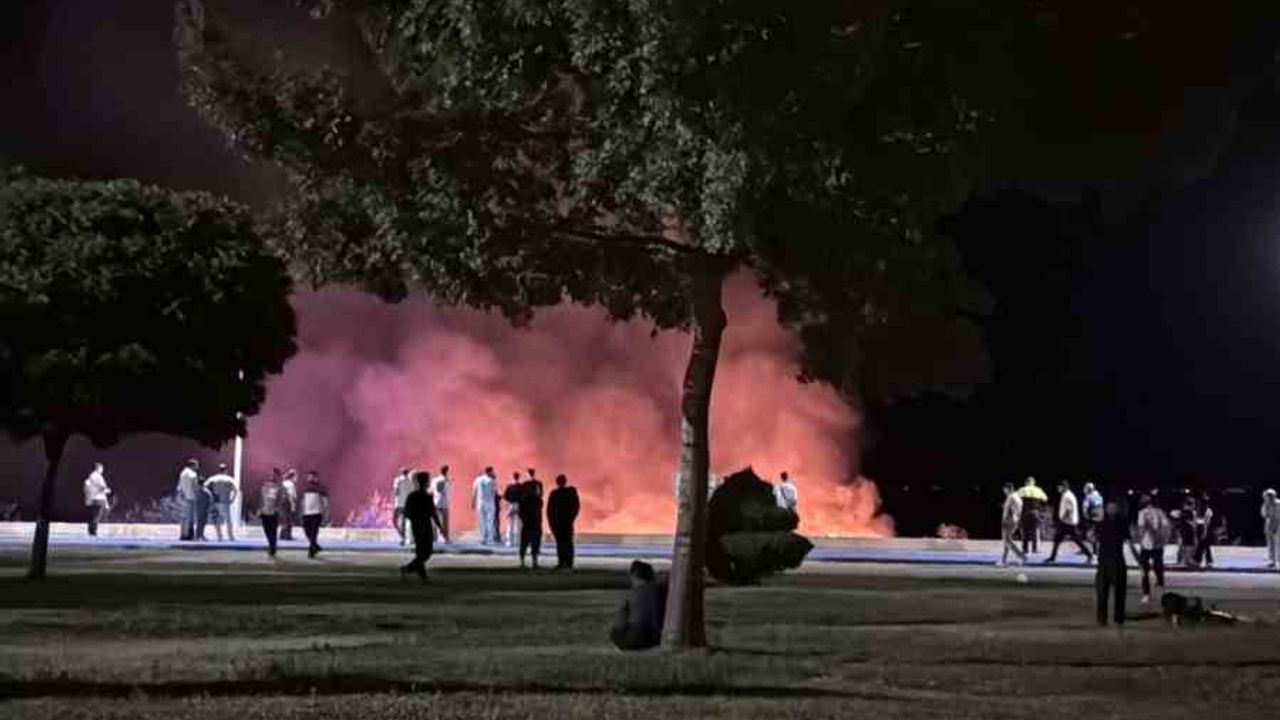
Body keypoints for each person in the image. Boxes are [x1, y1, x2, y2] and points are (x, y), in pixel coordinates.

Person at [610, 560, 668, 651]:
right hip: (654, 638)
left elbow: (620, 623)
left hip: (636, 638)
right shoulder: (657, 590)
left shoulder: (632, 594)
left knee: (615, 634)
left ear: (635, 576)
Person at [401, 471, 447, 582]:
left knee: (421, 551)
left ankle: (422, 575)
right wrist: (440, 527)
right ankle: (408, 569)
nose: (429, 482)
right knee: (426, 552)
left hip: (417, 526)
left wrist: (413, 521)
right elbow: (433, 514)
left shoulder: (412, 496)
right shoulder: (427, 496)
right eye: (428, 480)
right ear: (425, 482)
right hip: (425, 526)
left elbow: (407, 513)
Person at [1094, 498, 1132, 626]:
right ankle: (1108, 618)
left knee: (1115, 592)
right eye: (1109, 507)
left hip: (1114, 560)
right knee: (1104, 592)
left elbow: (1128, 541)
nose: (1111, 509)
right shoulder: (1103, 523)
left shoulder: (1119, 523)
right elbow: (1093, 538)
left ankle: (1114, 618)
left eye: (1113, 507)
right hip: (1107, 561)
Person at [1045, 480, 1093, 564]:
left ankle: (1090, 555)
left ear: (1065, 487)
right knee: (1058, 539)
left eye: (1060, 487)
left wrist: (1061, 520)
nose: (1058, 489)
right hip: (1068, 521)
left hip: (1068, 522)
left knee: (1076, 540)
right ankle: (1052, 557)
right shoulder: (1067, 494)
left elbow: (1068, 510)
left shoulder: (1067, 496)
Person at [1135, 494, 1170, 604]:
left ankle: (1146, 594)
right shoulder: (1160, 512)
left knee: (1144, 571)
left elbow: (1141, 529)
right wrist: (1163, 539)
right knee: (1158, 567)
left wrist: (1139, 539)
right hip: (1158, 544)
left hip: (1146, 545)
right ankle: (1161, 587)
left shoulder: (1142, 513)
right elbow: (1166, 527)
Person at [547, 474, 581, 570]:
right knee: (567, 542)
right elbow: (576, 506)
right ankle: (568, 563)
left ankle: (562, 562)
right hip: (566, 522)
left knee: (561, 543)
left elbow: (550, 511)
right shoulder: (570, 492)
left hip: (560, 522)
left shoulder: (555, 494)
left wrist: (552, 523)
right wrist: (572, 518)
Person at [204, 464, 239, 542]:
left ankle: (219, 536)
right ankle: (230, 536)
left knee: (217, 519)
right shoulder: (229, 479)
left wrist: (210, 495)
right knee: (228, 520)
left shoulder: (213, 478)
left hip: (215, 501)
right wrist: (233, 499)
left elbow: (204, 486)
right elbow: (235, 490)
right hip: (225, 501)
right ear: (226, 470)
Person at [300, 471, 329, 558]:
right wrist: (301, 511)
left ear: (316, 478)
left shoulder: (321, 489)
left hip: (316, 513)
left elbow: (325, 502)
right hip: (306, 513)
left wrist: (326, 514)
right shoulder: (304, 488)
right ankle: (315, 545)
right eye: (309, 477)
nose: (311, 478)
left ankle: (311, 551)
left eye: (312, 477)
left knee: (314, 532)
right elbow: (302, 501)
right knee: (307, 531)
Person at [518, 475, 544, 569]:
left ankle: (522, 562)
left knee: (524, 543)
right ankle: (534, 562)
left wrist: (524, 520)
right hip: (536, 524)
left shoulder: (523, 499)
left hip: (526, 524)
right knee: (535, 544)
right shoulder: (538, 499)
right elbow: (539, 509)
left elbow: (520, 513)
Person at [998, 482, 1026, 566]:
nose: (1004, 491)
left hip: (1009, 520)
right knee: (1006, 540)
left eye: (1005, 489)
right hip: (1014, 520)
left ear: (1009, 489)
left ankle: (1021, 556)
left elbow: (1008, 510)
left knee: (1007, 540)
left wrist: (1005, 520)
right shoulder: (1017, 496)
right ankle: (1004, 560)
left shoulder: (1011, 497)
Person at [1017, 477, 1047, 554]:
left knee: (1025, 531)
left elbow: (1016, 499)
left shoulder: (1022, 489)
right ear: (1034, 482)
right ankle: (1035, 549)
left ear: (1026, 482)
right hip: (1035, 512)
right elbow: (1045, 498)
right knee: (1036, 531)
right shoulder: (1038, 490)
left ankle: (1025, 549)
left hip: (1025, 512)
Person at [259, 469, 285, 557]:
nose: (272, 476)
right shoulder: (265, 485)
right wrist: (260, 508)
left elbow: (281, 500)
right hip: (265, 511)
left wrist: (278, 509)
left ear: (278, 476)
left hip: (274, 513)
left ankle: (272, 547)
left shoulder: (280, 487)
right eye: (271, 474)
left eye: (275, 475)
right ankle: (272, 544)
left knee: (273, 531)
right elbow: (261, 497)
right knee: (266, 530)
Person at [83, 463, 112, 537]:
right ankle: (93, 531)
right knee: (97, 516)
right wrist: (107, 490)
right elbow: (102, 487)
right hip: (99, 499)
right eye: (102, 469)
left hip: (94, 499)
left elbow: (87, 487)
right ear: (99, 468)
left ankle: (91, 530)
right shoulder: (97, 476)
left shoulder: (90, 477)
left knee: (94, 516)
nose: (102, 470)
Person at [175, 459, 201, 541]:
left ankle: (183, 534)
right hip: (191, 498)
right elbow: (195, 487)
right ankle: (189, 535)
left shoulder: (182, 473)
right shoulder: (193, 474)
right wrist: (198, 495)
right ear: (192, 465)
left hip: (183, 498)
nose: (197, 467)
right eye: (196, 465)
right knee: (190, 518)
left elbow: (179, 486)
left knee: (184, 517)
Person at [472, 467, 499, 545]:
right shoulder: (492, 481)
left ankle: (483, 538)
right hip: (489, 502)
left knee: (481, 521)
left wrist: (473, 502)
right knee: (489, 521)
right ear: (489, 472)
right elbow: (494, 492)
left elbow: (474, 491)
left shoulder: (478, 480)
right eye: (492, 471)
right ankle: (490, 538)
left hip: (480, 503)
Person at [1192, 493, 1215, 569]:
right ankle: (1204, 560)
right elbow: (1195, 520)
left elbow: (1207, 522)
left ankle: (1199, 560)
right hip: (1199, 528)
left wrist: (1205, 532)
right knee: (1202, 545)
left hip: (1205, 528)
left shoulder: (1208, 511)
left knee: (1203, 545)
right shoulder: (1197, 510)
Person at [392, 467, 414, 546]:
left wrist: (394, 498)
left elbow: (396, 491)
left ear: (401, 472)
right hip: (406, 504)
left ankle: (402, 537)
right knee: (404, 522)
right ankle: (405, 538)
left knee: (394, 521)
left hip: (399, 503)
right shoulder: (410, 481)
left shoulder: (397, 480)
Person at [1081, 482, 1104, 552]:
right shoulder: (1099, 496)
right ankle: (1096, 548)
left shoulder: (1088, 497)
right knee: (1097, 534)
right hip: (1101, 517)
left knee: (1089, 535)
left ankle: (1094, 548)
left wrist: (1085, 516)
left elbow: (1085, 508)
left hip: (1093, 518)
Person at [432, 465, 452, 543]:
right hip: (444, 503)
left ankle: (435, 537)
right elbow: (440, 489)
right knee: (444, 521)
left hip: (436, 502)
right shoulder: (446, 480)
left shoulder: (434, 480)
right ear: (447, 471)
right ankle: (445, 538)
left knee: (436, 521)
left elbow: (432, 491)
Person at [1262, 489, 1280, 569]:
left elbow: (1277, 516)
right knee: (1270, 543)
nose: (1268, 497)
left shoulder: (1278, 504)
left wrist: (1275, 526)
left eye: (1269, 496)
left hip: (1278, 524)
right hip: (1269, 524)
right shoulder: (1265, 504)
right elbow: (1264, 514)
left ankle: (1278, 560)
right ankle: (1272, 561)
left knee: (1278, 543)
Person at [505, 471, 523, 547]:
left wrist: (509, 503)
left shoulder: (509, 486)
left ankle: (509, 541)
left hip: (511, 505)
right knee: (518, 524)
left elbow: (505, 496)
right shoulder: (521, 487)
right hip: (519, 505)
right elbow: (523, 497)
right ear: (518, 477)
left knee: (510, 524)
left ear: (513, 477)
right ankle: (517, 541)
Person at [280, 468, 299, 541]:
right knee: (288, 520)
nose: (296, 479)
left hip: (282, 504)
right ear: (292, 477)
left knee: (284, 520)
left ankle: (283, 534)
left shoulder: (284, 483)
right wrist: (293, 506)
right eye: (296, 477)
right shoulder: (290, 485)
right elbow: (291, 496)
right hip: (287, 503)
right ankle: (287, 535)